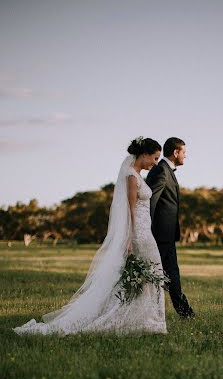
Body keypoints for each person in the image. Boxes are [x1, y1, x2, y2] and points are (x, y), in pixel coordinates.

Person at [12, 137, 167, 336]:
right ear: (144, 155)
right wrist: (129, 237)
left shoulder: (137, 175)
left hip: (146, 232)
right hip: (139, 234)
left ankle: (147, 318)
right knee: (149, 273)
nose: (155, 163)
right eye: (154, 158)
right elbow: (130, 210)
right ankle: (141, 319)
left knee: (150, 275)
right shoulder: (131, 177)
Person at [146, 137, 195, 319]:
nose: (185, 157)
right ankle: (184, 313)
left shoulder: (167, 170)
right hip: (158, 236)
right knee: (164, 275)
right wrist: (146, 232)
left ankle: (185, 313)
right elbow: (150, 202)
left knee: (171, 274)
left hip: (165, 236)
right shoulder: (161, 171)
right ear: (176, 152)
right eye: (184, 153)